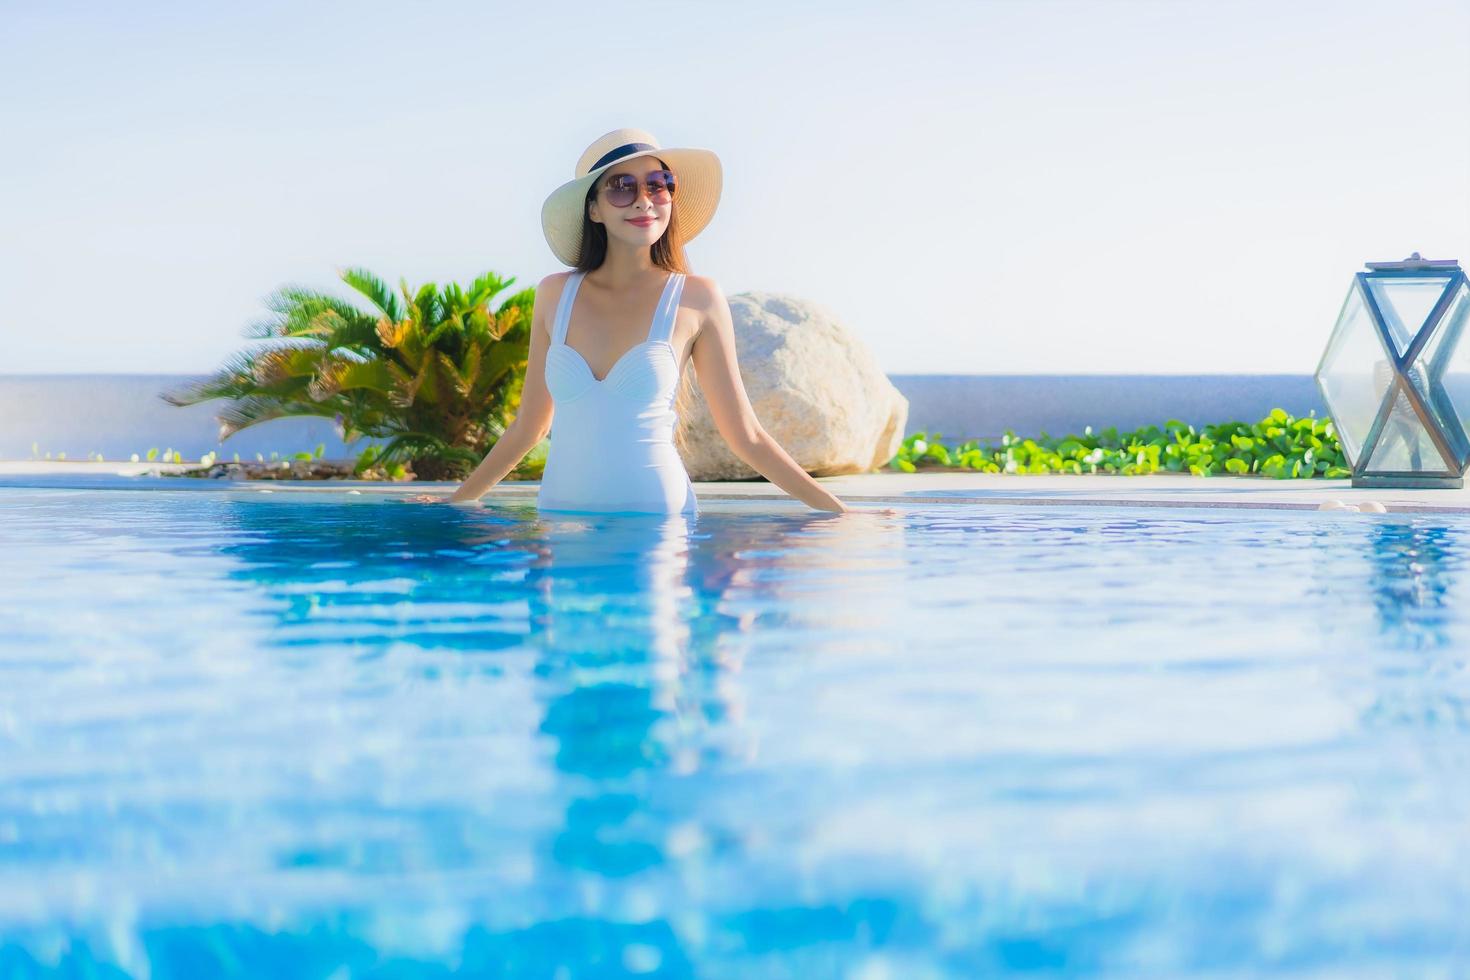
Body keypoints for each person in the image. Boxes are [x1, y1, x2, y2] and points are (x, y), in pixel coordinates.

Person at [427, 127, 883, 516]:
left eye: (659, 184)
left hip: (656, 523)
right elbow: (529, 427)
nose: (644, 200)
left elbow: (745, 435)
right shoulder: (554, 294)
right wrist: (458, 502)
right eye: (622, 186)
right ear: (594, 208)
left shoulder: (696, 298)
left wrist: (839, 511)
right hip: (562, 520)